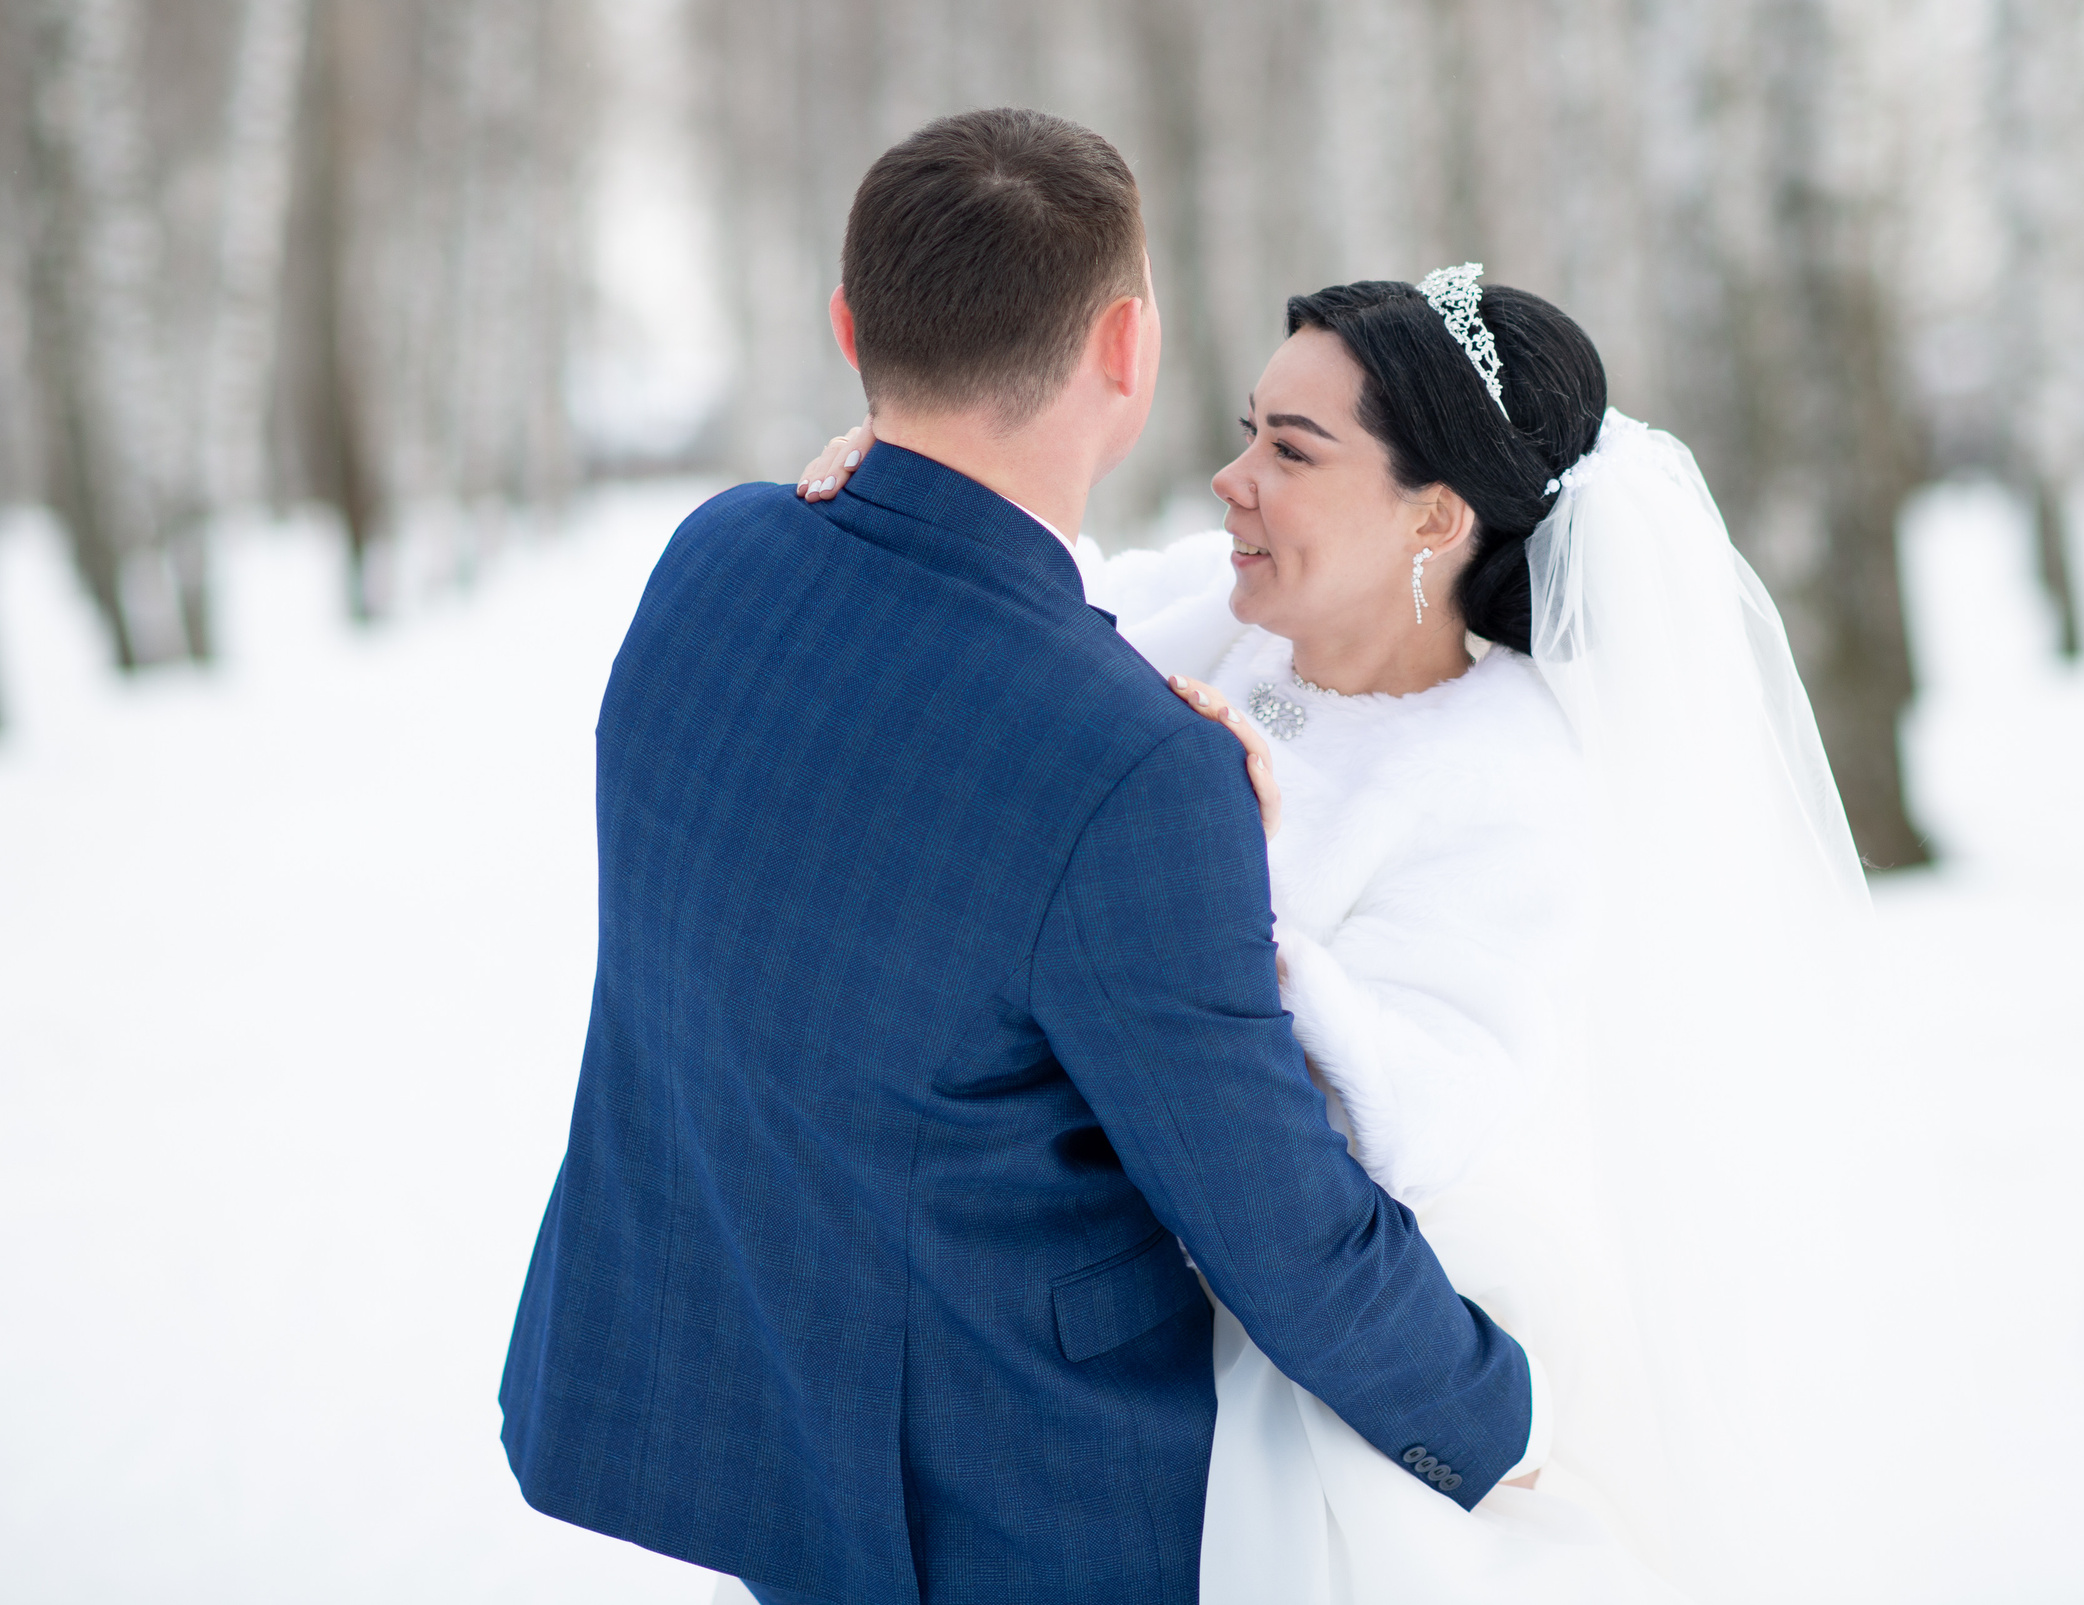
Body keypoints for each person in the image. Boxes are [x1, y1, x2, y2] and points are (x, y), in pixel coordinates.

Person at [497, 109, 1546, 1605]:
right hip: (1003, 1497)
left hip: (739, 1406)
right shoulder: (1139, 764)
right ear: (1131, 349)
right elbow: (1285, 1238)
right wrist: (1502, 1425)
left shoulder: (714, 556)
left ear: (850, 326)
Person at [797, 265, 1871, 1599]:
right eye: (1250, 427)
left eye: (1290, 449)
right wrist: (928, 489)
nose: (1229, 478)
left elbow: (1416, 1116)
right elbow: (1048, 603)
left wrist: (1218, 885)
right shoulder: (1220, 608)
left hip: (1302, 1326)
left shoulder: (1507, 772)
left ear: (1436, 511)